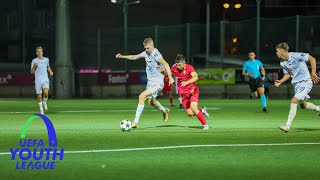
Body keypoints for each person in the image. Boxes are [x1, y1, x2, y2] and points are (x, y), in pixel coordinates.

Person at [115, 37, 174, 128]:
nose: (146, 50)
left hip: (158, 82)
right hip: (150, 82)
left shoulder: (156, 53)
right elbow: (134, 57)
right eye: (145, 48)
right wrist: (122, 56)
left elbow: (166, 64)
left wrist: (170, 78)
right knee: (152, 102)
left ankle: (135, 122)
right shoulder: (146, 53)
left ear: (152, 45)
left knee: (141, 96)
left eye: (147, 48)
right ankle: (164, 111)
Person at [275, 42, 320, 132]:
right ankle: (318, 108)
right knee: (303, 105)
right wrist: (281, 81)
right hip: (297, 85)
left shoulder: (296, 55)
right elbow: (288, 74)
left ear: (281, 51)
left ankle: (287, 126)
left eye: (277, 51)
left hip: (305, 82)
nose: (276, 53)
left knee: (294, 100)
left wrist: (313, 72)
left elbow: (312, 59)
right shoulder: (282, 63)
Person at [170, 54, 210, 129]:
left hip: (193, 91)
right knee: (190, 113)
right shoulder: (175, 68)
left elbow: (196, 77)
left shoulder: (189, 68)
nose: (178, 67)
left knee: (193, 107)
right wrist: (162, 70)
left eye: (179, 65)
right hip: (184, 95)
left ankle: (205, 125)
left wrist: (187, 82)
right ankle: (202, 111)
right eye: (177, 65)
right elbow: (168, 72)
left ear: (184, 63)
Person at [30, 46, 54, 115]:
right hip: (38, 81)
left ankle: (44, 102)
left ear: (42, 52)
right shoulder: (34, 61)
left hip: (45, 79)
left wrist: (50, 71)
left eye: (41, 51)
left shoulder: (46, 59)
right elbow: (31, 72)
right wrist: (34, 67)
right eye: (38, 51)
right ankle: (41, 109)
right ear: (36, 53)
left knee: (46, 93)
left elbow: (48, 66)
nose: (40, 53)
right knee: (39, 96)